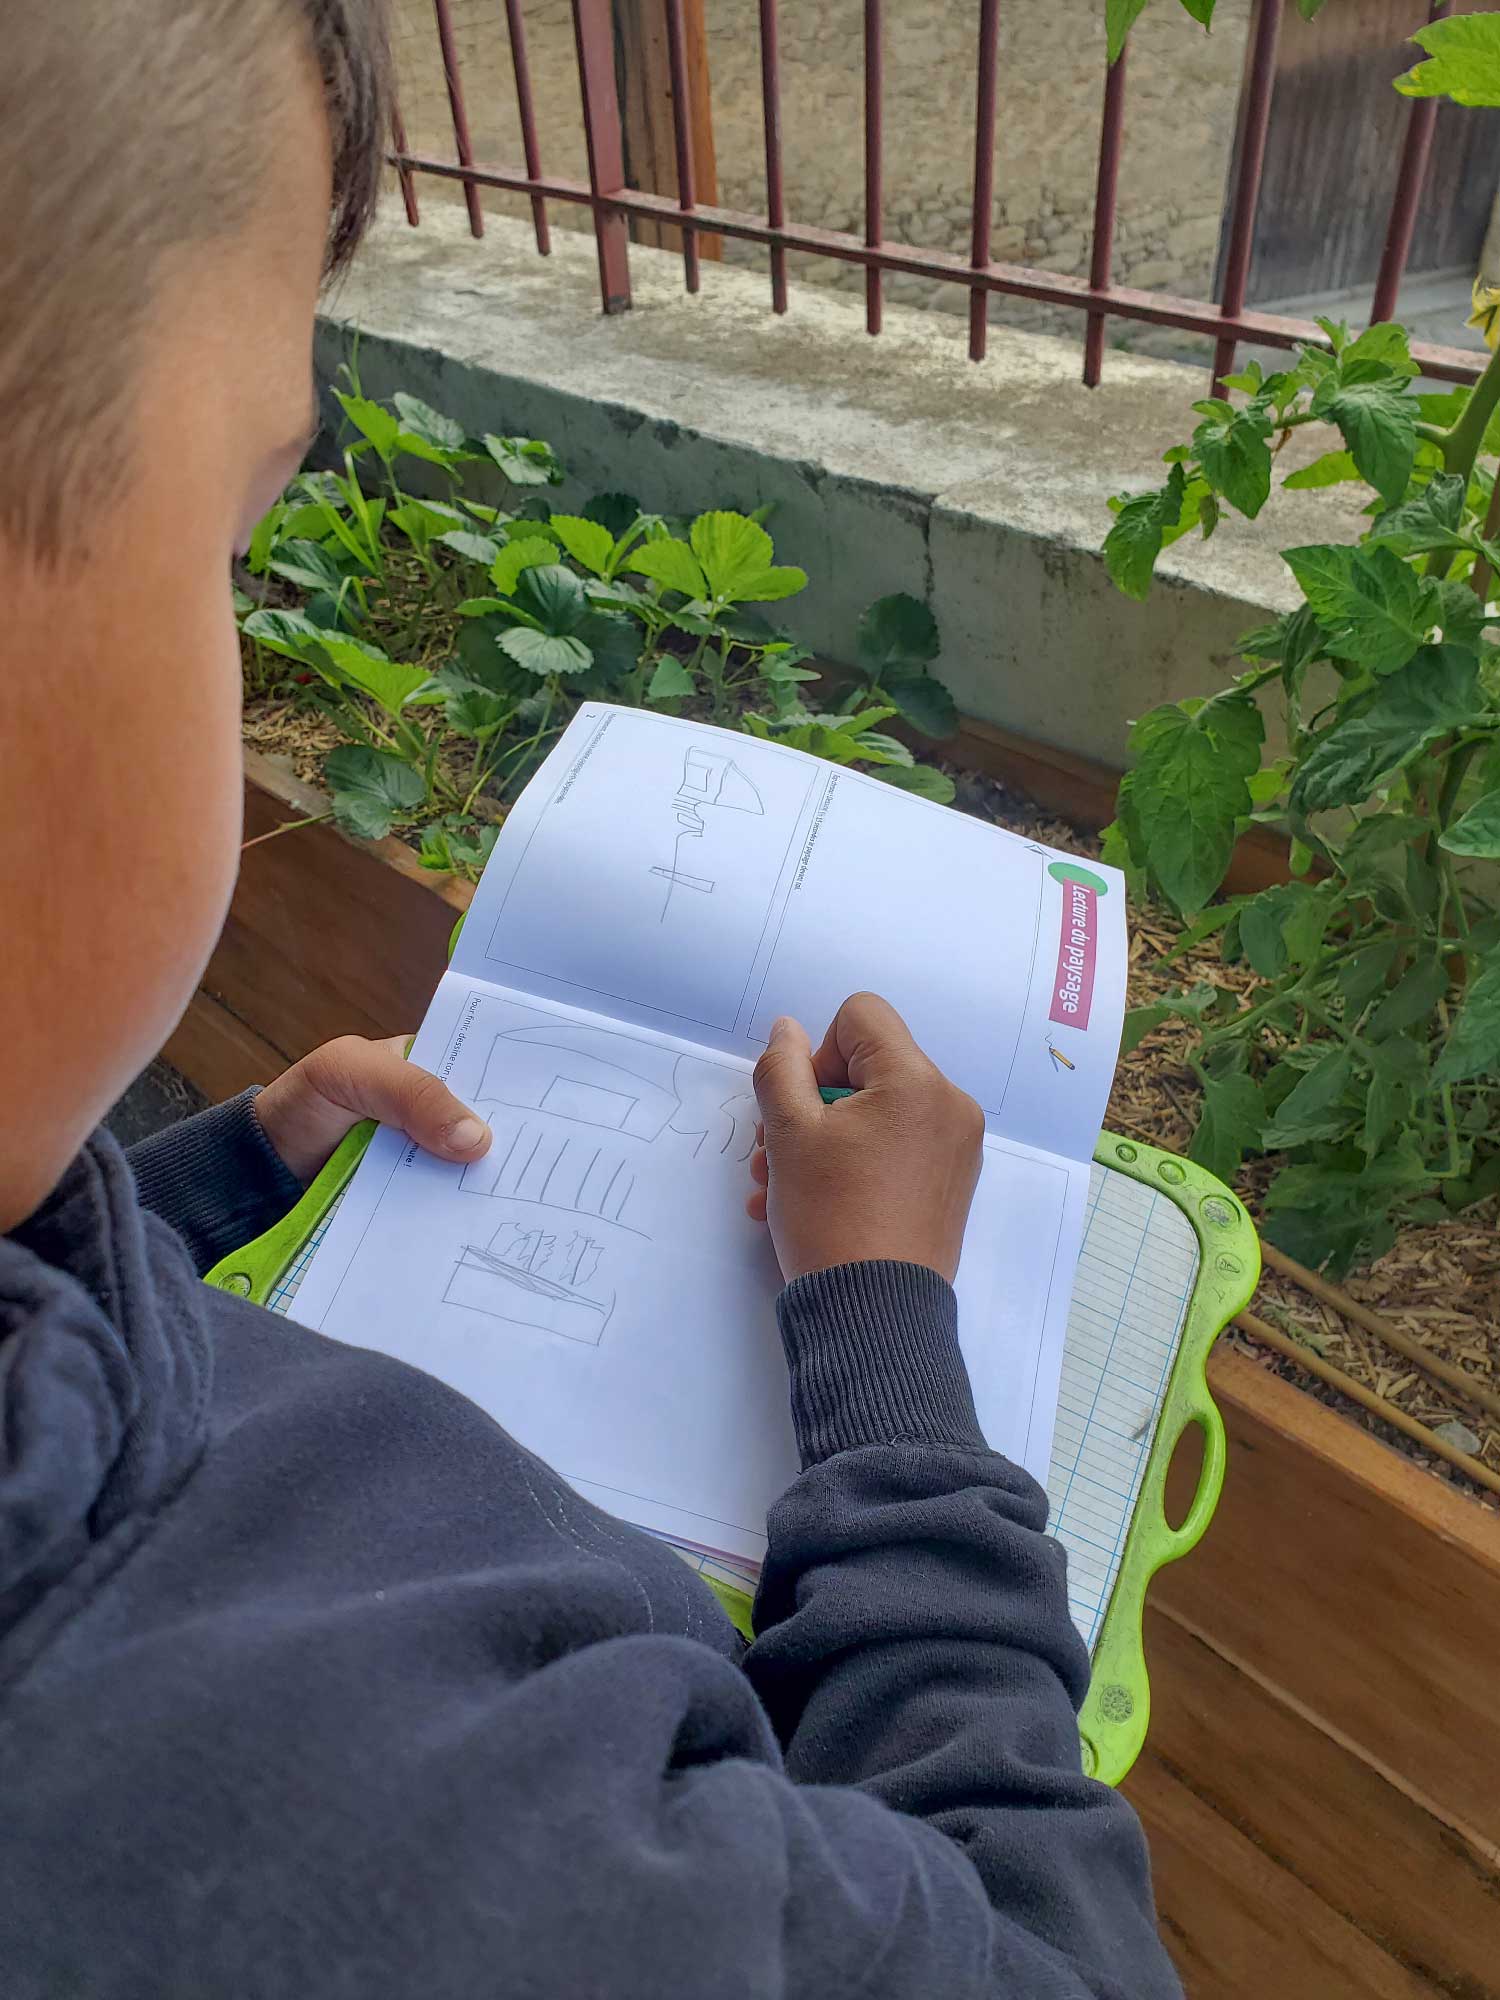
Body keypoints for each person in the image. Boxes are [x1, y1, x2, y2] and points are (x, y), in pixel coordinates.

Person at [0, 4, 1181, 1994]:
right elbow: (1049, 1956)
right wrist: (885, 1337)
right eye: (233, 542)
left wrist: (204, 1183)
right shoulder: (396, 1822)